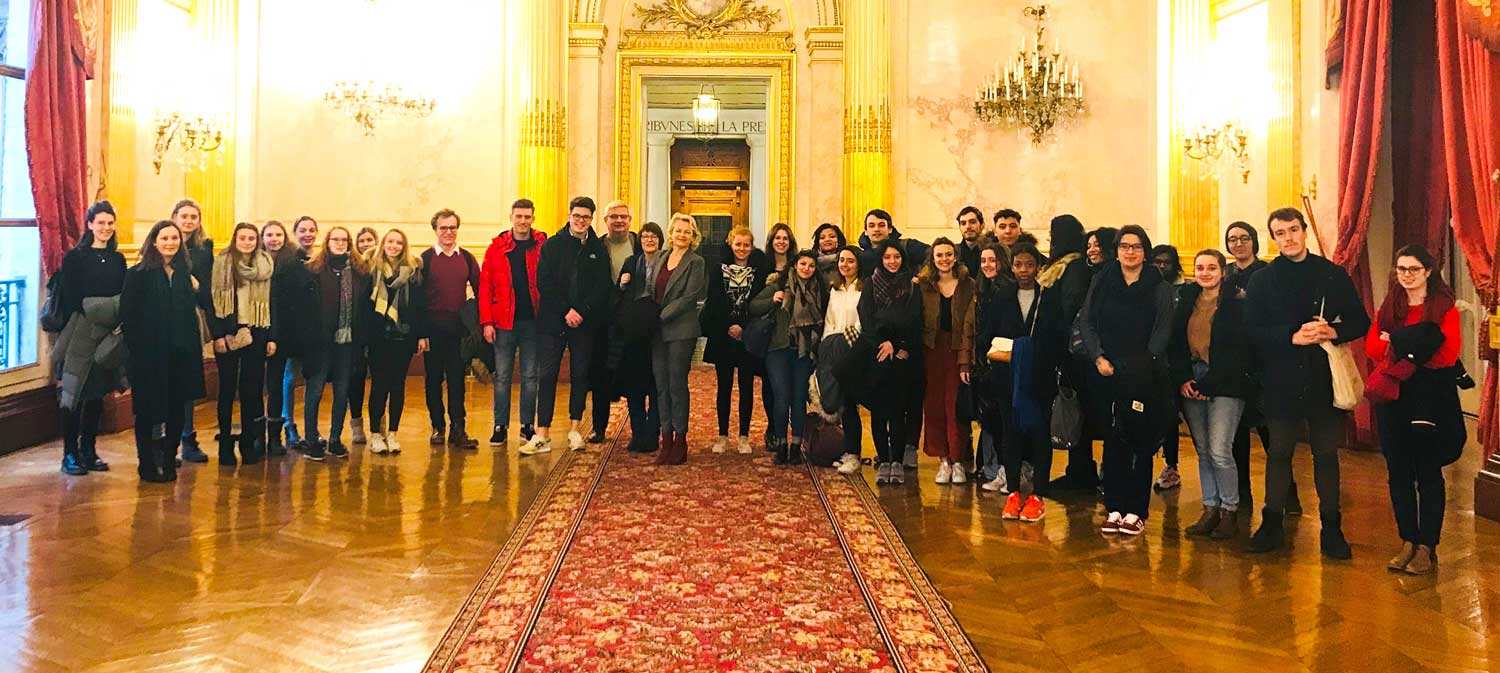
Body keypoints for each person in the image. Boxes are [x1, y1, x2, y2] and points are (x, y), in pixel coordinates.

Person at [1244, 207, 1370, 558]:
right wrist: (1291, 336)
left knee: (1326, 454)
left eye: (1293, 230)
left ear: (1304, 232)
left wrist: (1333, 330)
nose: (1288, 237)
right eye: (1280, 233)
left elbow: (1361, 321)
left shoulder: (1331, 274)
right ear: (1273, 238)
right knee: (1279, 453)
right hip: (1281, 378)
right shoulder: (1262, 280)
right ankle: (1272, 524)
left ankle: (1332, 529)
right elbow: (1251, 332)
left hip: (1322, 378)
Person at [1367, 245, 1464, 575]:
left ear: (1427, 272)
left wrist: (1394, 342)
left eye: (1412, 269)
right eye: (1400, 269)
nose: (1405, 275)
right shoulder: (1391, 304)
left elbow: (1447, 355)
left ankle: (1427, 546)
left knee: (1427, 472)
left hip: (1430, 399)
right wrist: (1412, 344)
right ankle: (1407, 539)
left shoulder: (1443, 306)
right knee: (1398, 471)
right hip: (1394, 395)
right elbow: (1372, 347)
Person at [1078, 225, 1175, 536]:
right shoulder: (1102, 280)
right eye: (1124, 246)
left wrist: (1137, 365)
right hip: (1105, 371)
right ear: (1116, 250)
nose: (1130, 252)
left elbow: (1161, 332)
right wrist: (1098, 357)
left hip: (1143, 375)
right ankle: (1115, 506)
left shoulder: (1158, 287)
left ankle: (1137, 509)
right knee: (1113, 439)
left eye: (1136, 247)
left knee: (1140, 441)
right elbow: (1087, 322)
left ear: (1145, 251)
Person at [1168, 250, 1253, 540]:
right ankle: (1210, 508)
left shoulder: (1236, 304)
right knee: (1203, 451)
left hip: (1226, 383)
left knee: (1219, 449)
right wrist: (1184, 379)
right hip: (1192, 379)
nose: (1205, 273)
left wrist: (1210, 384)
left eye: (1211, 268)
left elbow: (1239, 352)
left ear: (1222, 271)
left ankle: (1230, 510)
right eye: (1200, 267)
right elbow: (1176, 344)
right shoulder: (1186, 302)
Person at [523, 196, 611, 454]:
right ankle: (543, 433)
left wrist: (581, 311)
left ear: (591, 219)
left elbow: (601, 286)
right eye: (577, 216)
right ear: (570, 215)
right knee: (547, 375)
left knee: (580, 375)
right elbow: (544, 282)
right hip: (553, 322)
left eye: (586, 217)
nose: (581, 221)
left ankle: (575, 429)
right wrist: (566, 311)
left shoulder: (597, 248)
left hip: (584, 323)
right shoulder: (552, 245)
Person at [121, 221, 206, 482]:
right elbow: (128, 316)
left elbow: (192, 314)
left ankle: (169, 460)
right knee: (147, 411)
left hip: (181, 355)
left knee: (176, 411)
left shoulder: (184, 274)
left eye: (174, 238)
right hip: (149, 357)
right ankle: (146, 463)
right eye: (164, 238)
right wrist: (140, 351)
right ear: (154, 242)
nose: (170, 242)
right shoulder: (137, 274)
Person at [51, 200, 128, 475]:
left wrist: (108, 313)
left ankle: (89, 450)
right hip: (80, 332)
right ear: (90, 225)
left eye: (110, 223)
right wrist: (101, 309)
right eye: (101, 222)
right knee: (74, 393)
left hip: (106, 333)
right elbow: (74, 299)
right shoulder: (75, 258)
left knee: (96, 393)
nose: (105, 228)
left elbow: (122, 296)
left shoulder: (118, 259)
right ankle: (69, 454)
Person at [1222, 220, 1292, 514]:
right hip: (1235, 359)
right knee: (1236, 432)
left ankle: (1288, 498)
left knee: (1270, 433)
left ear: (1254, 241)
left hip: (1263, 360)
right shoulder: (1225, 273)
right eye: (1232, 239)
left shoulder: (1267, 273)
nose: (1238, 244)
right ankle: (1241, 495)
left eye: (1244, 238)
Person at [986, 243, 1055, 522]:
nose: (1024, 271)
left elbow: (1056, 337)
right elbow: (989, 334)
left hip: (1039, 378)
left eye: (1029, 265)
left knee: (1040, 436)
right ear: (1011, 267)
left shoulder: (1049, 298)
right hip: (1007, 378)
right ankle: (1013, 491)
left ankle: (1038, 494)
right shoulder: (1001, 296)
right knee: (1010, 434)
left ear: (1038, 267)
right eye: (1018, 265)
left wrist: (1032, 354)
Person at [857, 209, 929, 470]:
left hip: (902, 353)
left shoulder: (911, 285)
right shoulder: (870, 284)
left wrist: (898, 345)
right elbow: (866, 318)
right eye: (887, 257)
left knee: (901, 407)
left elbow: (914, 319)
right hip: (878, 352)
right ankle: (883, 459)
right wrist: (882, 343)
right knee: (879, 408)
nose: (892, 261)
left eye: (896, 256)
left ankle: (898, 459)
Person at [207, 222, 276, 465]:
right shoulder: (222, 262)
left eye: (251, 238)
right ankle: (225, 442)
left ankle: (249, 442)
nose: (247, 242)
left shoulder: (265, 264)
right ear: (235, 239)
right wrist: (219, 335)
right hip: (228, 333)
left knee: (252, 390)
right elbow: (212, 302)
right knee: (226, 390)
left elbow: (272, 302)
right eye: (242, 238)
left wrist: (271, 337)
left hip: (257, 332)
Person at [1038, 215, 1097, 493]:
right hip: (1063, 349)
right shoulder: (1065, 266)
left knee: (1075, 409)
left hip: (1069, 352)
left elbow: (1068, 307)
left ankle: (1081, 472)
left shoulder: (1071, 267)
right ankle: (1078, 470)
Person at [301, 227, 371, 460]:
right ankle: (311, 440)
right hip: (319, 343)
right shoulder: (313, 270)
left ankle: (334, 439)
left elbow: (364, 309)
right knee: (316, 390)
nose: (340, 243)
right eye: (336, 239)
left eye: (344, 240)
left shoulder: (361, 272)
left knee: (342, 391)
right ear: (327, 242)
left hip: (348, 342)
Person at [750, 250, 826, 464]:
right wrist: (772, 301)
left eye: (811, 265)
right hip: (778, 349)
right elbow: (754, 306)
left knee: (799, 398)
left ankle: (796, 445)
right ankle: (781, 443)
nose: (806, 269)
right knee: (782, 397)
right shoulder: (778, 285)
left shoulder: (819, 291)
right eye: (803, 264)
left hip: (803, 351)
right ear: (795, 265)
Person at [480, 199, 546, 448]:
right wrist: (486, 322)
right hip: (503, 322)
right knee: (503, 377)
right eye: (519, 216)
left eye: (527, 217)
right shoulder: (496, 248)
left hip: (532, 322)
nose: (523, 221)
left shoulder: (541, 244)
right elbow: (485, 287)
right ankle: (500, 425)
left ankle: (527, 425)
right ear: (511, 217)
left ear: (533, 218)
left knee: (530, 376)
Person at [701, 226, 771, 455]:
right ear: (730, 244)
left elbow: (759, 302)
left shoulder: (760, 271)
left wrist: (743, 327)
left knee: (746, 387)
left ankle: (744, 436)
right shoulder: (717, 269)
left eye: (746, 245)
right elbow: (713, 302)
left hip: (748, 336)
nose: (742, 249)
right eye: (738, 244)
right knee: (723, 386)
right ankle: (722, 436)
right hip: (724, 335)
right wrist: (728, 326)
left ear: (752, 246)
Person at [649, 214, 708, 465]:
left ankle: (680, 441)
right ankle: (666, 440)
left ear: (693, 237)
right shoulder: (661, 257)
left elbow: (689, 298)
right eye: (678, 231)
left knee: (676, 384)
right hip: (656, 331)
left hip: (681, 330)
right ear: (670, 233)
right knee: (660, 385)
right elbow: (651, 288)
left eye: (687, 232)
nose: (682, 235)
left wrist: (659, 316)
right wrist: (646, 316)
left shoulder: (696, 262)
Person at [420, 208, 481, 449]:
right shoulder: (424, 259)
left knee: (457, 380)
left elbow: (480, 290)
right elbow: (417, 300)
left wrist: (479, 324)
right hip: (432, 330)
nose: (448, 232)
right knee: (433, 379)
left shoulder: (466, 258)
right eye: (443, 228)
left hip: (459, 331)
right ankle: (437, 427)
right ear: (435, 230)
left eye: (452, 227)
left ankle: (458, 428)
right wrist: (421, 334)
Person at [917, 238, 976, 484]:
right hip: (930, 350)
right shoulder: (922, 285)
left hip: (956, 349)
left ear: (955, 257)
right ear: (933, 258)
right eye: (939, 255)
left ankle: (959, 460)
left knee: (955, 406)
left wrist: (965, 361)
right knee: (934, 406)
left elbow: (969, 325)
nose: (944, 259)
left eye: (948, 254)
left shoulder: (968, 284)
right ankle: (943, 459)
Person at [365, 229, 428, 455]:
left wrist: (421, 335)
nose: (394, 246)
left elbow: (419, 306)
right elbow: (364, 306)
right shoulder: (371, 269)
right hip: (377, 337)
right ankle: (375, 434)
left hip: (403, 336)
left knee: (398, 385)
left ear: (404, 246)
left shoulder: (413, 271)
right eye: (390, 241)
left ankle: (393, 433)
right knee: (379, 385)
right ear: (383, 244)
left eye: (398, 242)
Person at [588, 201, 643, 444]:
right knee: (600, 377)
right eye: (614, 217)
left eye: (623, 216)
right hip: (603, 322)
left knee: (635, 376)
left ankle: (639, 431)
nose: (619, 221)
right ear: (605, 221)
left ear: (630, 220)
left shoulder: (641, 245)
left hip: (633, 321)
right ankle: (599, 428)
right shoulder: (596, 246)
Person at [170, 199, 213, 465]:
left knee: (187, 381)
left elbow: (207, 287)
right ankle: (164, 441)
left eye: (193, 217)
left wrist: (196, 287)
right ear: (174, 217)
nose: (188, 221)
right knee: (165, 381)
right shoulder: (162, 241)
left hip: (192, 317)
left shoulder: (204, 249)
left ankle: (188, 439)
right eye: (183, 216)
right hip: (165, 319)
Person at [617, 221, 665, 453]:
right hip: (634, 331)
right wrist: (622, 284)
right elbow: (620, 293)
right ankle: (637, 433)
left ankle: (652, 433)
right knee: (635, 385)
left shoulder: (665, 262)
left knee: (656, 385)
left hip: (657, 330)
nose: (649, 240)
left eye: (653, 236)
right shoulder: (631, 262)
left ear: (660, 239)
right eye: (645, 236)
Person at [823, 246, 867, 476]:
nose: (845, 265)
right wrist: (829, 345)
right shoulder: (835, 289)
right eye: (842, 260)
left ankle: (854, 453)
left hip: (856, 350)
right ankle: (847, 449)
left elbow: (864, 320)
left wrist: (848, 342)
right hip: (835, 349)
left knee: (851, 403)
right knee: (841, 402)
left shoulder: (864, 288)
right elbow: (829, 320)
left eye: (850, 261)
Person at [973, 238, 1012, 492]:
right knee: (992, 420)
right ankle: (1001, 470)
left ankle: (1009, 472)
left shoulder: (1007, 290)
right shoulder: (983, 290)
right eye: (984, 260)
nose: (988, 265)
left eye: (992, 260)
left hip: (1004, 362)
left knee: (1005, 420)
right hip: (986, 363)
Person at [278, 215, 319, 450]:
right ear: (295, 233)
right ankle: (288, 424)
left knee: (313, 379)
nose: (307, 234)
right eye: (302, 230)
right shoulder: (288, 260)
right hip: (293, 329)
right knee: (291, 377)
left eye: (311, 230)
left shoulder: (320, 260)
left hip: (314, 329)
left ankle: (310, 428)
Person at [1150, 244, 1188, 493]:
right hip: (1151, 360)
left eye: (1166, 262)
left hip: (1176, 360)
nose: (1161, 266)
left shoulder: (1185, 291)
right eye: (1157, 261)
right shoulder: (1147, 288)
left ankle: (1172, 465)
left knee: (1171, 415)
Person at [260, 220, 297, 457]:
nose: (274, 238)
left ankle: (275, 436)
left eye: (278, 234)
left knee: (275, 385)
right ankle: (254, 434)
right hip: (254, 330)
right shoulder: (252, 262)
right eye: (269, 234)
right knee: (254, 385)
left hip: (281, 333)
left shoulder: (291, 264)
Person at [347, 227, 379, 446]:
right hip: (356, 333)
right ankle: (356, 424)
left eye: (370, 240)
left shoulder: (383, 267)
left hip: (379, 333)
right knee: (355, 380)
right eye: (362, 240)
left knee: (380, 381)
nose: (366, 244)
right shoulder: (352, 270)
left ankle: (380, 425)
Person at [812, 222, 848, 287]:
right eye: (822, 238)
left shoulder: (846, 260)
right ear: (818, 242)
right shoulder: (812, 261)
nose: (827, 239)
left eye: (832, 236)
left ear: (838, 240)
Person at [956, 206, 989, 276]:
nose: (968, 226)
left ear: (982, 225)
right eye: (963, 223)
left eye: (972, 222)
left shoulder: (993, 250)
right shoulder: (953, 252)